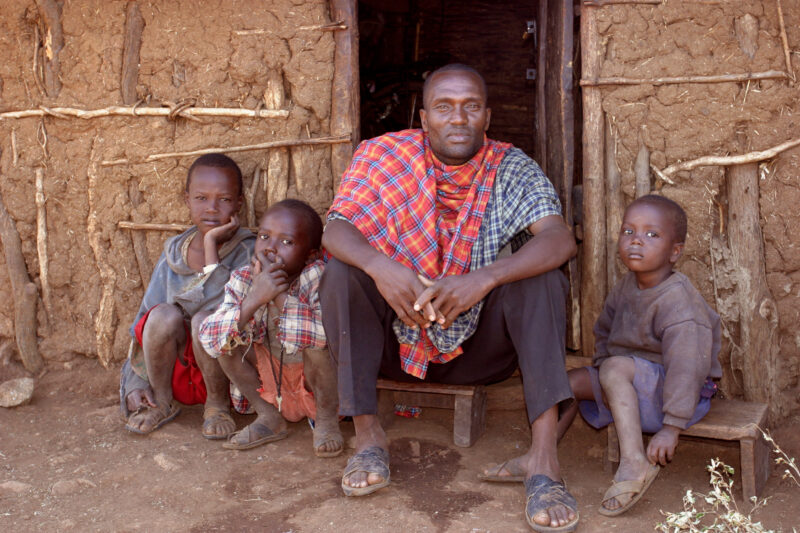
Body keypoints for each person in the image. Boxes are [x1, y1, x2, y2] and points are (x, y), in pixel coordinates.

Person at [319, 63, 579, 532]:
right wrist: (381, 267)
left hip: (481, 351)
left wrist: (485, 278)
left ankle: (543, 461)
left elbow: (560, 239)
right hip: (394, 344)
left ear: (487, 116)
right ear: (423, 118)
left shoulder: (511, 167)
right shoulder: (383, 157)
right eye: (444, 107)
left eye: (470, 107)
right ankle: (367, 436)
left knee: (543, 278)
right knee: (343, 272)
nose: (457, 118)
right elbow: (336, 228)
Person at [557, 194, 721, 516]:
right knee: (566, 384)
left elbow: (687, 369)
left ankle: (634, 462)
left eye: (651, 235)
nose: (636, 242)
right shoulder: (626, 286)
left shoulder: (680, 304)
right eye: (628, 231)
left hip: (679, 398)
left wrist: (672, 427)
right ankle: (541, 457)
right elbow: (604, 331)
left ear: (676, 251)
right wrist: (604, 374)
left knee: (617, 368)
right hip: (631, 384)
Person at [120, 153, 254, 439]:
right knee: (161, 315)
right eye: (201, 198)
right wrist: (134, 383)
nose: (212, 208)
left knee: (205, 320)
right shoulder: (174, 252)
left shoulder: (248, 252)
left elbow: (221, 308)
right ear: (186, 199)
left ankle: (216, 407)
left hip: (229, 377)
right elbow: (142, 323)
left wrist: (210, 246)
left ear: (239, 203)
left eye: (224, 199)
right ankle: (162, 401)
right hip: (178, 375)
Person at [197, 200, 343, 455]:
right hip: (270, 385)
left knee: (319, 347)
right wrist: (254, 299)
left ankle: (327, 421)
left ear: (310, 254)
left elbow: (324, 336)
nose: (271, 249)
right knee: (225, 337)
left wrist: (277, 296)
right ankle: (268, 417)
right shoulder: (244, 278)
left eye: (286, 242)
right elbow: (210, 340)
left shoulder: (317, 276)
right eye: (264, 237)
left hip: (316, 386)